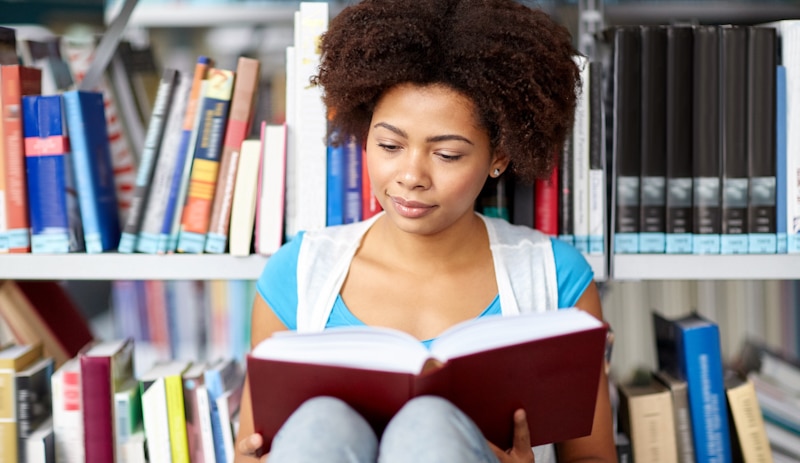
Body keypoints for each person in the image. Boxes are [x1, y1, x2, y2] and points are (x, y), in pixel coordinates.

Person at [235, 0, 617, 461]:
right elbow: (250, 448)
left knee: (431, 428)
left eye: (447, 154)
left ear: (499, 156)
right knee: (321, 424)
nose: (411, 175)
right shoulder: (296, 275)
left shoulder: (556, 279)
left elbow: (592, 456)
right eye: (390, 145)